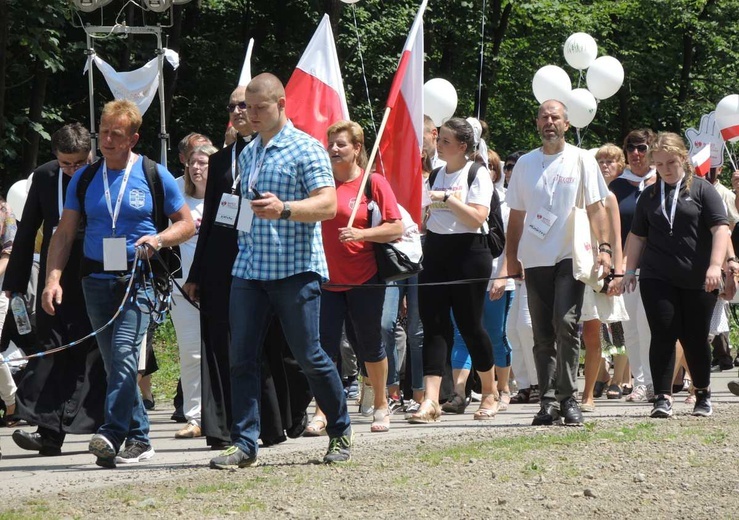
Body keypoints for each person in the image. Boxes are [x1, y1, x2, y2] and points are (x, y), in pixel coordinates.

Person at [209, 73, 352, 469]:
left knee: (310, 356)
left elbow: (328, 206)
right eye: (245, 108)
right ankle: (244, 442)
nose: (250, 115)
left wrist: (285, 208)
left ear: (281, 104)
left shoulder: (306, 149)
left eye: (259, 108)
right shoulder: (248, 151)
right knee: (241, 358)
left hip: (294, 270)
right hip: (250, 269)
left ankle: (339, 430)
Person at [42, 100, 195, 468]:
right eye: (104, 131)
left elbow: (186, 224)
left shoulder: (153, 174)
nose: (108, 140)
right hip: (95, 279)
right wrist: (53, 278)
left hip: (139, 278)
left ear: (133, 138)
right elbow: (63, 233)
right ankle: (140, 438)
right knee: (115, 364)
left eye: (116, 134)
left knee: (125, 354)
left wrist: (157, 240)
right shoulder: (85, 177)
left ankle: (111, 433)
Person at [4, 123, 108, 456]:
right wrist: (15, 283)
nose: (73, 170)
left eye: (79, 162)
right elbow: (27, 229)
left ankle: (106, 427)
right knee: (50, 347)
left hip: (94, 269)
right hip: (55, 271)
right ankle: (48, 433)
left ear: (89, 153)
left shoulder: (104, 173)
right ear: (56, 158)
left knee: (91, 352)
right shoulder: (46, 177)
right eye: (66, 164)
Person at [505, 99, 610, 426]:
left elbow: (596, 207)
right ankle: (547, 401)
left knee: (565, 322)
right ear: (537, 123)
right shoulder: (524, 164)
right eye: (544, 117)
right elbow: (516, 215)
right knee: (541, 333)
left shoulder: (581, 160)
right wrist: (511, 257)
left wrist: (604, 248)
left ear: (566, 124)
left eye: (556, 118)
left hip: (570, 255)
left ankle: (568, 398)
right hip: (535, 259)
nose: (550, 122)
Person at [620, 132, 730, 418]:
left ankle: (703, 393)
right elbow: (637, 236)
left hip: (697, 277)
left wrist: (715, 266)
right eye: (659, 164)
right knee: (663, 333)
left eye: (671, 162)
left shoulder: (703, 190)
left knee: (694, 337)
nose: (666, 169)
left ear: (683, 158)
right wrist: (630, 270)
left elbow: (720, 229)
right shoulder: (649, 195)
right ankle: (662, 396)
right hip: (657, 276)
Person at [309, 120, 402, 434]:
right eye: (331, 143)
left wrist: (362, 233)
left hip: (365, 279)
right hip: (325, 280)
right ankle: (323, 410)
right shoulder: (321, 185)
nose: (333, 149)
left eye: (341, 144)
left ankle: (380, 404)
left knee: (370, 346)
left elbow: (396, 227)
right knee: (323, 348)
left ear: (357, 148)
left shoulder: (372, 183)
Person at [409, 117, 499, 424]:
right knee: (433, 325)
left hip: (469, 253)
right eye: (439, 140)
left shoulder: (477, 174)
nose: (439, 145)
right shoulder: (434, 174)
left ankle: (489, 391)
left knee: (470, 324)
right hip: (435, 251)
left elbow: (477, 218)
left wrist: (447, 198)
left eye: (446, 141)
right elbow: (422, 216)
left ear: (463, 146)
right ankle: (431, 400)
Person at [169, 143, 217, 439]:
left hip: (219, 289)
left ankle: (223, 414)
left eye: (203, 163)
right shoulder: (176, 196)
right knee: (191, 354)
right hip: (182, 289)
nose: (196, 168)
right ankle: (195, 416)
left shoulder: (225, 198)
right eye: (192, 163)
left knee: (221, 352)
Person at [609, 129, 657, 403]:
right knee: (632, 329)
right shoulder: (617, 186)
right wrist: (617, 268)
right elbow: (613, 233)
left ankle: (654, 382)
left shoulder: (662, 182)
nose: (636, 154)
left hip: (656, 265)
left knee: (649, 325)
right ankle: (641, 383)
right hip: (627, 267)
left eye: (641, 148)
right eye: (631, 149)